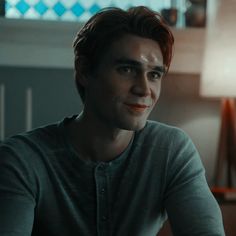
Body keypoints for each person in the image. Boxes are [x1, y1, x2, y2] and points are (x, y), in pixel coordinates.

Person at [0, 6, 225, 236]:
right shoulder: (21, 161)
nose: (144, 89)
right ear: (85, 70)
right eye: (127, 69)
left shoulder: (170, 150)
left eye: (154, 75)